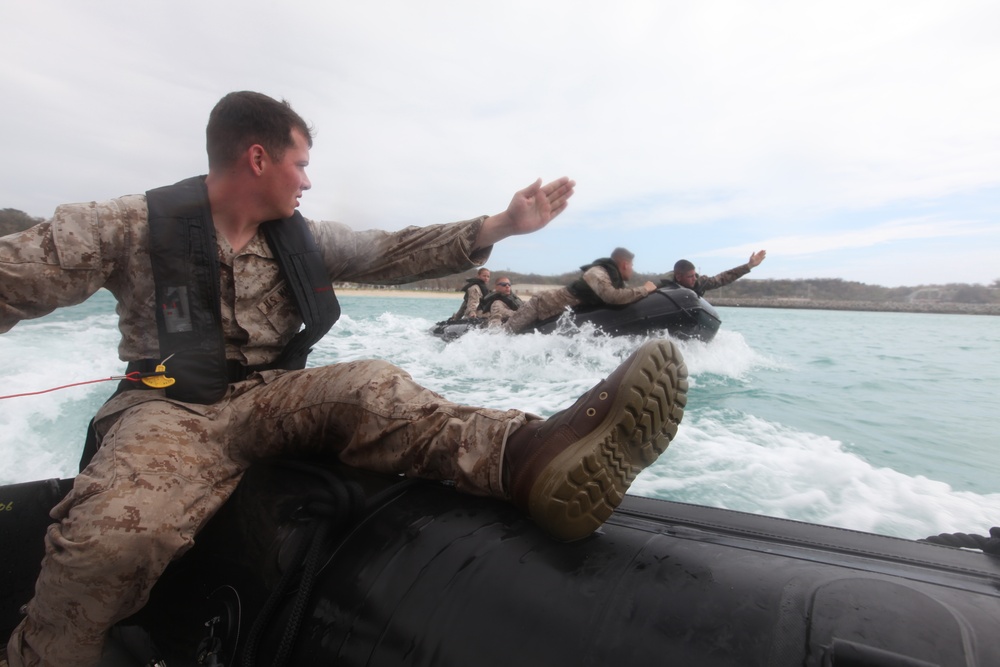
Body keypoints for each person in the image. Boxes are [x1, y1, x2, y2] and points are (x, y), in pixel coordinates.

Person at [0, 91, 689, 667]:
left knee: (368, 385)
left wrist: (502, 223)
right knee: (111, 540)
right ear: (257, 157)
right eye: (300, 164)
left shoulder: (302, 236)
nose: (306, 180)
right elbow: (16, 274)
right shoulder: (130, 224)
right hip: (166, 407)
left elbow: (392, 251)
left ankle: (529, 457)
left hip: (268, 396)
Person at [504, 247, 656, 334]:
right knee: (507, 333)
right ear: (625, 264)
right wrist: (645, 289)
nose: (632, 269)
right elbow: (612, 297)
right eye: (632, 265)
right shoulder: (597, 273)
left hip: (553, 311)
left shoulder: (612, 278)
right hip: (539, 305)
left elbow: (624, 295)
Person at [662, 250, 767, 297]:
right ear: (679, 277)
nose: (694, 279)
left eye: (694, 275)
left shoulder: (700, 283)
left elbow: (723, 278)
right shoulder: (664, 285)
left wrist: (749, 266)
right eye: (690, 277)